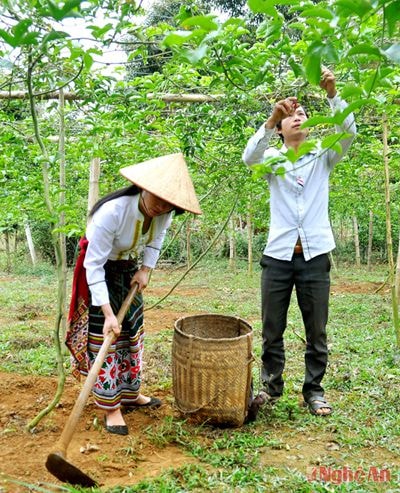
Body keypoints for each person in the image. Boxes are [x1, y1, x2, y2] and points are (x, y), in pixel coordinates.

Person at [242, 68, 356, 416]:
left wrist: (333, 93)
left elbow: (348, 133)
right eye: (289, 116)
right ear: (280, 129)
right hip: (277, 256)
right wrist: (271, 117)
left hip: (315, 255)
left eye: (302, 114)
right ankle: (271, 387)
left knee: (316, 328)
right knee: (271, 328)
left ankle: (314, 391)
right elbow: (250, 156)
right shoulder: (273, 161)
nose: (296, 118)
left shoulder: (324, 155)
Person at [66, 153, 201, 434]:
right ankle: (110, 407)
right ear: (143, 187)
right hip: (100, 272)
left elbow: (156, 241)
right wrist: (106, 313)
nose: (161, 206)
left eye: (169, 204)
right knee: (106, 337)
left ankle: (129, 393)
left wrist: (146, 270)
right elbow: (93, 264)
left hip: (128, 272)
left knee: (132, 331)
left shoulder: (163, 213)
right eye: (158, 198)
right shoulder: (112, 212)